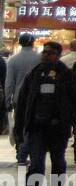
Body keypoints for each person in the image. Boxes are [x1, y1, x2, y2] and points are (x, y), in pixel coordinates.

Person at [14, 42, 76, 186]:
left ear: (58, 55)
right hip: (37, 129)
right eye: (44, 52)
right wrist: (19, 128)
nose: (45, 55)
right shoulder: (34, 74)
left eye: (50, 53)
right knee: (36, 164)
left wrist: (70, 120)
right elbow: (22, 103)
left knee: (58, 163)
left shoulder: (67, 76)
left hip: (58, 129)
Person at [6, 32, 42, 165]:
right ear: (33, 43)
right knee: (34, 126)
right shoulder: (39, 58)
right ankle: (31, 152)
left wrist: (8, 100)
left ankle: (20, 151)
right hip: (38, 98)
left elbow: (9, 83)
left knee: (20, 124)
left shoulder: (13, 60)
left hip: (19, 98)